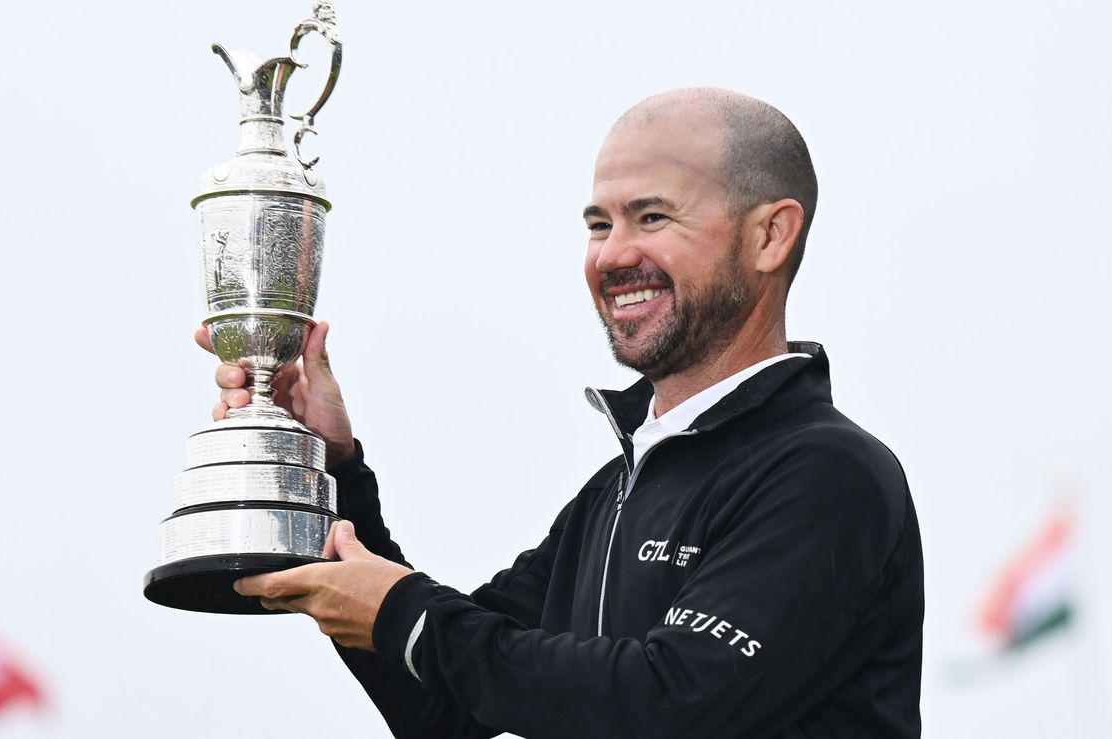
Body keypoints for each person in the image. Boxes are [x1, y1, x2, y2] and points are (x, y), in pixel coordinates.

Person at [198, 87, 924, 738]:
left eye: (652, 216)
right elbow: (443, 704)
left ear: (770, 235)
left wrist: (405, 613)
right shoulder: (613, 495)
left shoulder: (830, 474)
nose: (613, 255)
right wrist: (328, 469)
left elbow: (669, 701)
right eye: (598, 223)